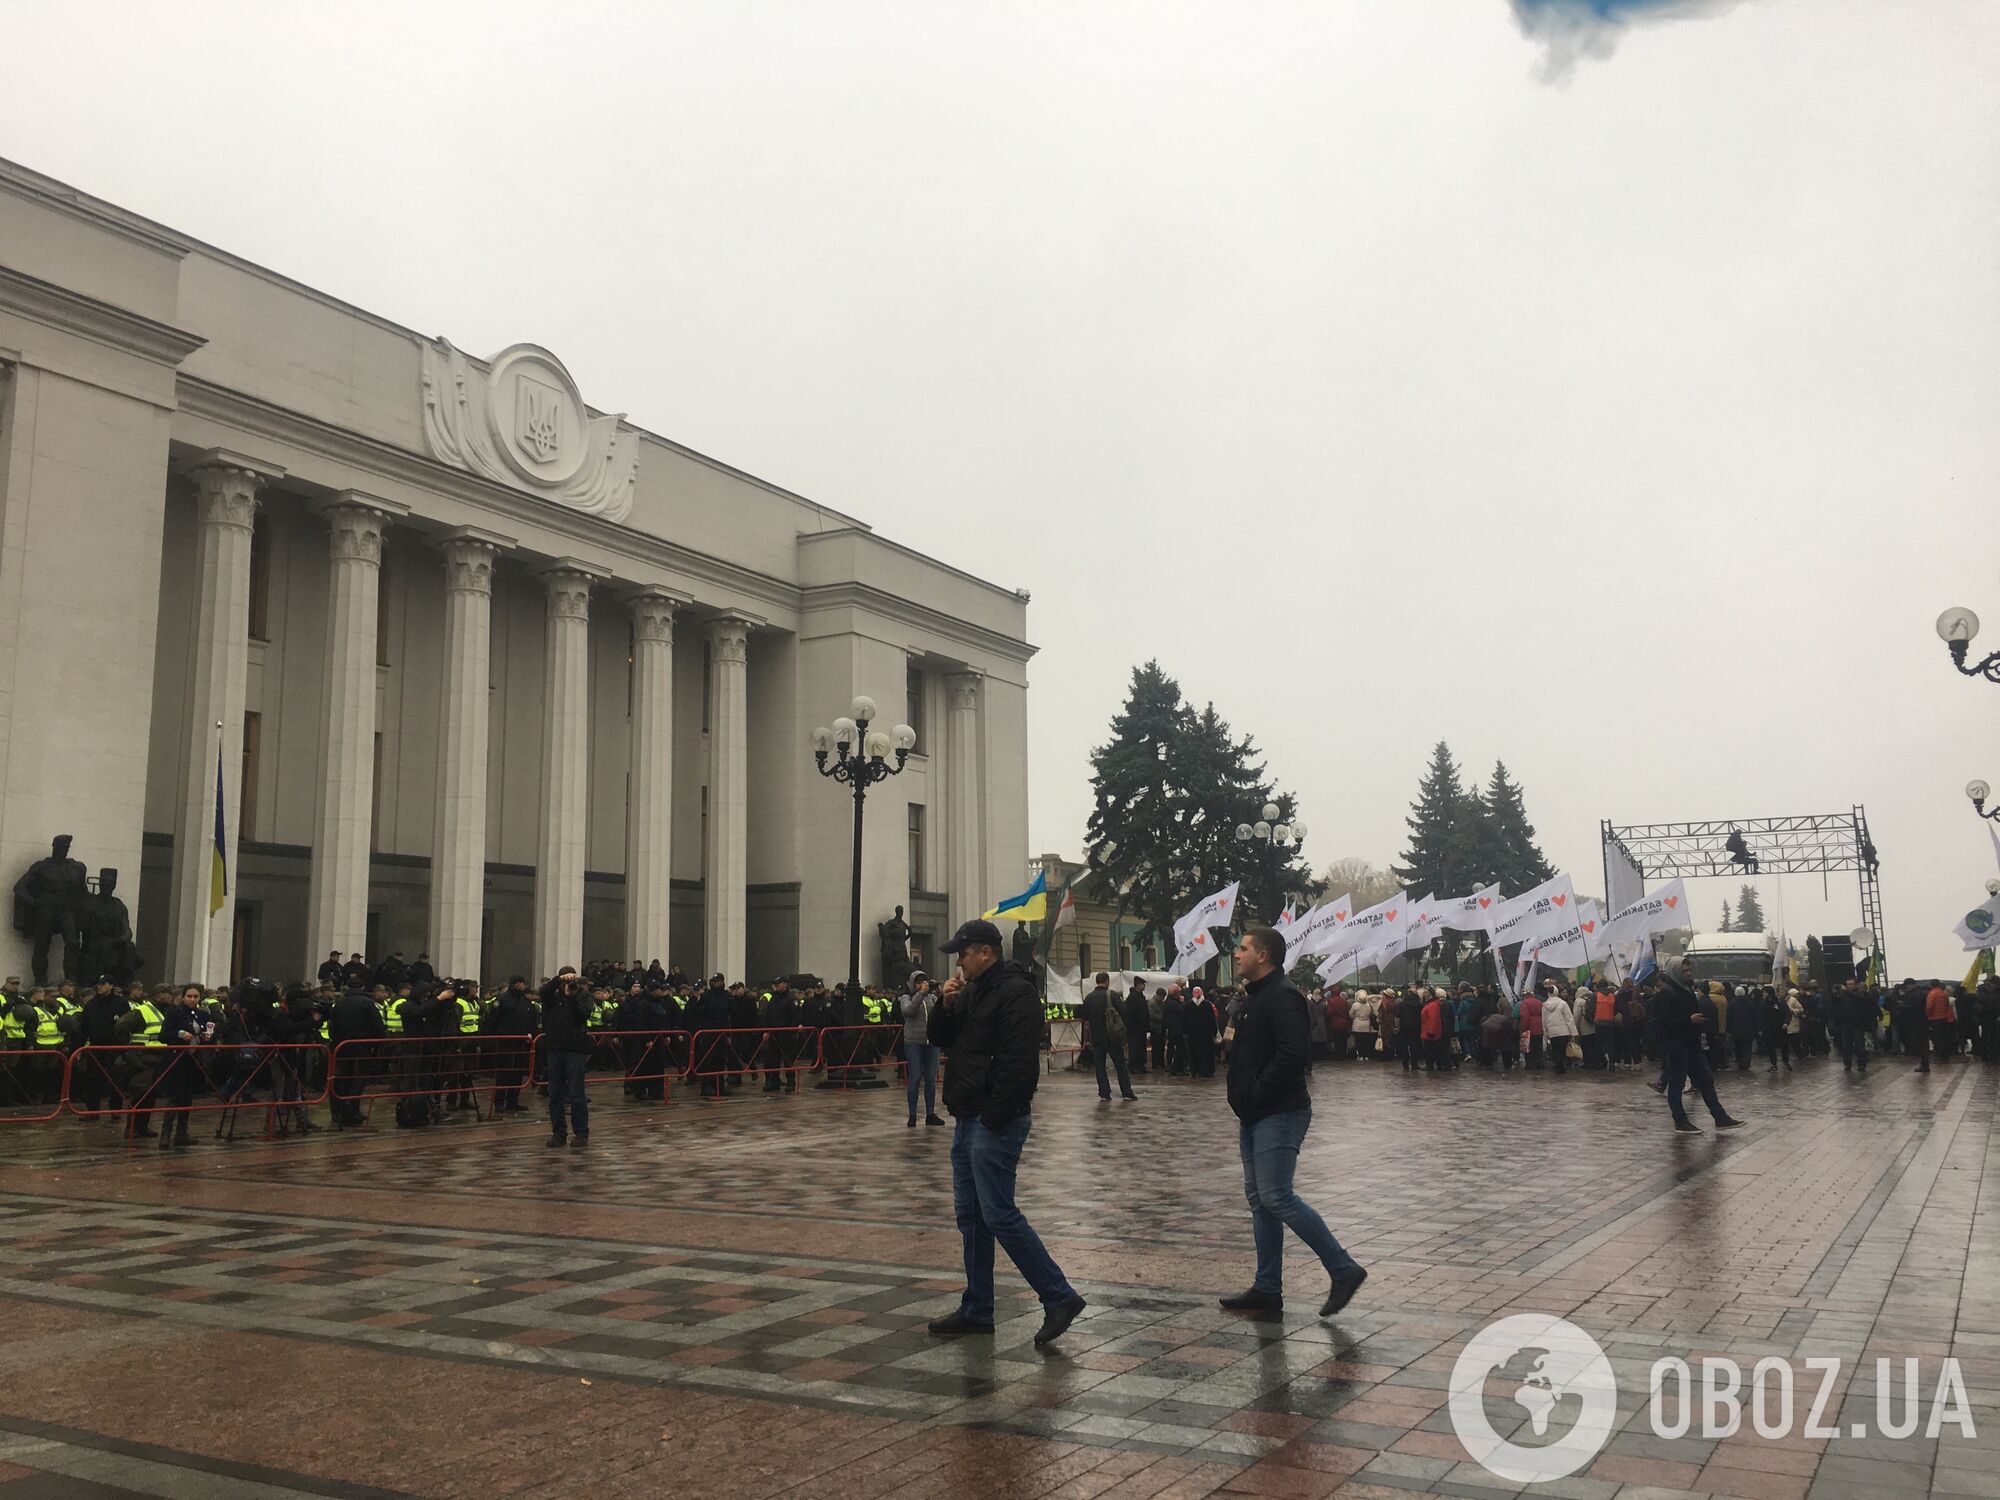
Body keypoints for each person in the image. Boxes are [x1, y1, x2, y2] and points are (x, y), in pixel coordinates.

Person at [924, 919, 1086, 1346]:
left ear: (985, 952)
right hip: (968, 1116)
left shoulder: (1016, 992)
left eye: (963, 953)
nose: (958, 961)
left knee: (998, 1214)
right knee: (972, 1217)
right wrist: (945, 1003)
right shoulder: (973, 991)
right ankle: (977, 1309)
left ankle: (1059, 1295)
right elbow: (940, 1039)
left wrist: (995, 1116)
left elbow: (1019, 1064)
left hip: (994, 1120)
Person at [1218, 926, 1366, 1318]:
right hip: (1254, 1113)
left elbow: (1291, 1054)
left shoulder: (1283, 996)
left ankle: (1343, 1269)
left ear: (1263, 956)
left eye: (1243, 948)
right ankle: (1267, 1288)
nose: (1237, 954)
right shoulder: (1254, 997)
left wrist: (1256, 1091)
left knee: (1276, 1196)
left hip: (1279, 1112)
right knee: (1261, 1202)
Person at [1653, 958, 1744, 1135]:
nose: (1688, 973)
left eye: (1689, 969)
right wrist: (1689, 1020)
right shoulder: (1667, 992)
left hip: (1692, 1044)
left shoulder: (1687, 989)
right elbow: (1663, 1022)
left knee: (1706, 1081)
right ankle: (1680, 1121)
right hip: (1677, 1045)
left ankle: (1720, 1118)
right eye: (1684, 970)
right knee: (1677, 1084)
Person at [541, 966, 592, 1148]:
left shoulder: (582, 995)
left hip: (574, 1050)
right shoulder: (553, 997)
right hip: (555, 1049)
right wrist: (557, 980)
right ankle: (558, 1133)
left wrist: (572, 998)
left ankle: (581, 1133)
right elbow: (543, 993)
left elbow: (583, 1016)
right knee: (555, 1095)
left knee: (577, 1094)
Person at [1079, 970, 1136, 1104]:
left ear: (1096, 981)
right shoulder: (1112, 995)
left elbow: (1084, 1017)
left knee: (1100, 1066)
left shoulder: (1089, 997)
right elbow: (1124, 1012)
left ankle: (1104, 1093)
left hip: (1096, 1038)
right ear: (1107, 981)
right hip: (1112, 1036)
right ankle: (1126, 1092)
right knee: (1120, 1065)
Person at [901, 970, 947, 1124]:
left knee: (930, 1079)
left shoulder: (932, 998)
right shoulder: (906, 998)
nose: (922, 984)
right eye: (918, 982)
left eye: (924, 981)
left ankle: (930, 1113)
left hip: (931, 1043)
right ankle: (912, 1115)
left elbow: (941, 1012)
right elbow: (909, 1011)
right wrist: (920, 994)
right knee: (914, 1078)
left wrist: (941, 994)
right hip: (913, 1042)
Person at [1186, 986, 1220, 1078]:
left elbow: (1184, 1020)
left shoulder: (1188, 1005)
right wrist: (1214, 1031)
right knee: (1206, 1053)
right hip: (1206, 1034)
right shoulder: (1207, 1005)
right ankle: (1206, 1070)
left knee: (1194, 1053)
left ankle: (1194, 1070)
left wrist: (1186, 1031)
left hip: (1192, 1035)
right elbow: (1212, 1020)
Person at [1542, 985, 1575, 1074]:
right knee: (1562, 1050)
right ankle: (1560, 1066)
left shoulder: (1544, 1005)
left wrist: (1545, 1033)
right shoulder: (1563, 1003)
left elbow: (1544, 1020)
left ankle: (1557, 1065)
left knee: (1555, 1050)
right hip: (1563, 1031)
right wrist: (1574, 1032)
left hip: (1552, 1032)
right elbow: (1569, 1018)